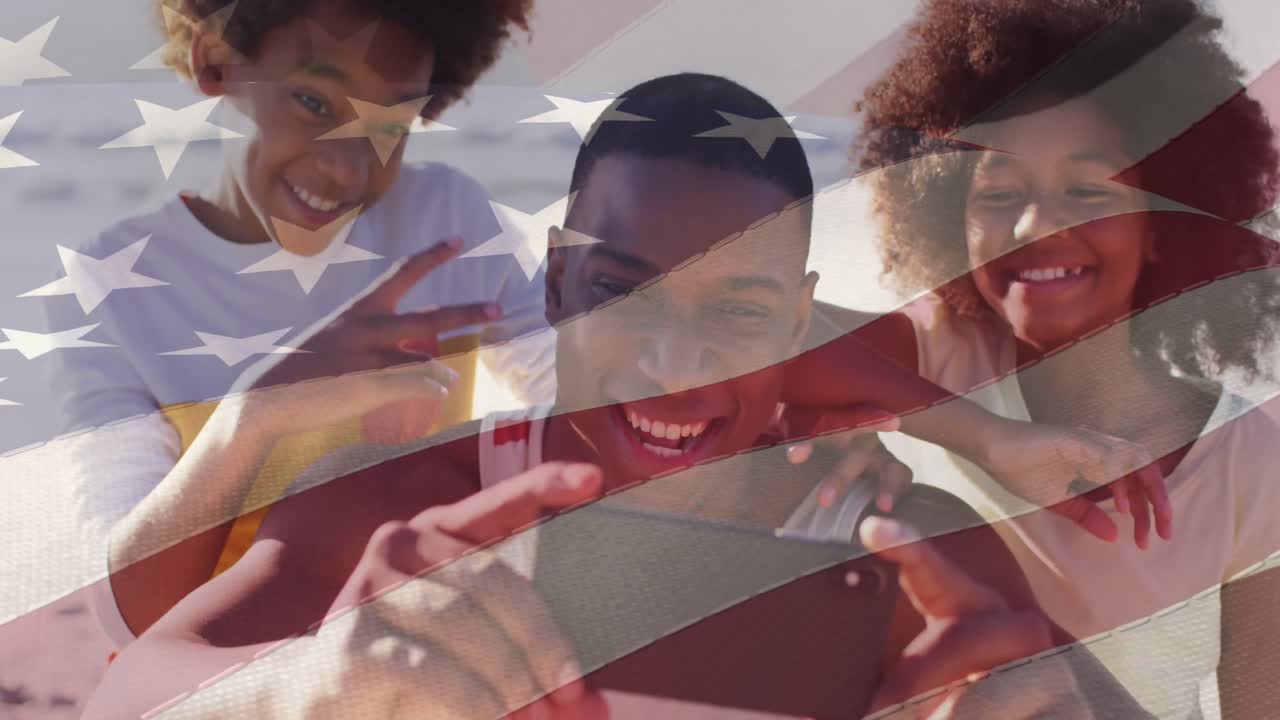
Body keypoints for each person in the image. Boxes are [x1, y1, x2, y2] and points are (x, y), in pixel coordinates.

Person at [84, 73, 1137, 720]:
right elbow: (122, 695)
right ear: (553, 283)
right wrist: (304, 695)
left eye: (734, 314)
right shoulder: (399, 510)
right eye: (620, 294)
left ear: (793, 320)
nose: (672, 364)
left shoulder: (899, 546)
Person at [34, 0, 548, 647]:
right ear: (216, 61)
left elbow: (581, 395)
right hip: (216, 674)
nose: (347, 167)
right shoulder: (106, 283)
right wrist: (256, 414)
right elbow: (125, 610)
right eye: (314, 104)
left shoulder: (450, 218)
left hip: (417, 653)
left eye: (390, 127)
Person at [847, 0, 1280, 715]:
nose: (1033, 227)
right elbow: (765, 338)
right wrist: (984, 437)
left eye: (1084, 190)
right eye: (999, 193)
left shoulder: (1255, 469)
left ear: (1164, 220)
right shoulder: (937, 353)